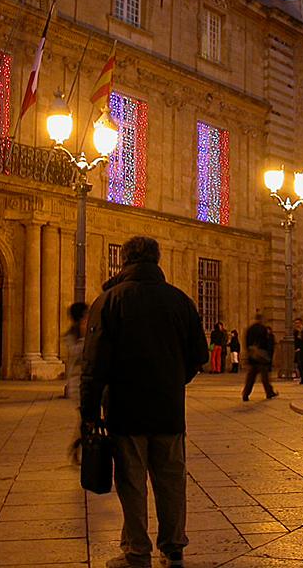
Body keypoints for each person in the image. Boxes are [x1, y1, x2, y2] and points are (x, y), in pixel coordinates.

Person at [81, 236, 209, 568]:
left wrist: (90, 412)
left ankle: (137, 552)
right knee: (171, 481)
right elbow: (199, 356)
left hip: (125, 410)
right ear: (157, 260)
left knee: (132, 483)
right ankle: (174, 549)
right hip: (168, 411)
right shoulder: (180, 301)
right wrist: (172, 383)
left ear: (124, 261)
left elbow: (94, 366)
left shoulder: (109, 300)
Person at [242, 313, 279, 401]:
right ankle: (269, 392)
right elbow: (266, 343)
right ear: (261, 320)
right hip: (261, 357)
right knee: (265, 377)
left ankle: (246, 394)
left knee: (251, 377)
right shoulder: (263, 329)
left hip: (252, 357)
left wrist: (249, 352)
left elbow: (246, 342)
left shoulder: (250, 329)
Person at [64, 302, 88, 401]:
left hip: (85, 384)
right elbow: (76, 354)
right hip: (77, 385)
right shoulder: (71, 336)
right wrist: (83, 337)